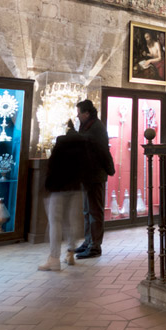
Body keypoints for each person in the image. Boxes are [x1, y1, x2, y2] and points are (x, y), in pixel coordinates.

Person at [67, 99, 114, 259]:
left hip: (95, 175)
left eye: (79, 113)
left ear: (86, 113)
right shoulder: (88, 126)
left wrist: (73, 134)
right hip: (88, 174)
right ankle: (88, 242)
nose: (77, 116)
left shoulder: (96, 127)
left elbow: (95, 147)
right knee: (87, 211)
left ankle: (95, 246)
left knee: (95, 211)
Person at [38, 133, 85, 271]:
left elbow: (51, 169)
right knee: (71, 221)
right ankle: (70, 252)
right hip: (76, 188)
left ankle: (54, 258)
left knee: (55, 222)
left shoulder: (60, 149)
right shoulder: (80, 151)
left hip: (58, 189)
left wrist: (46, 187)